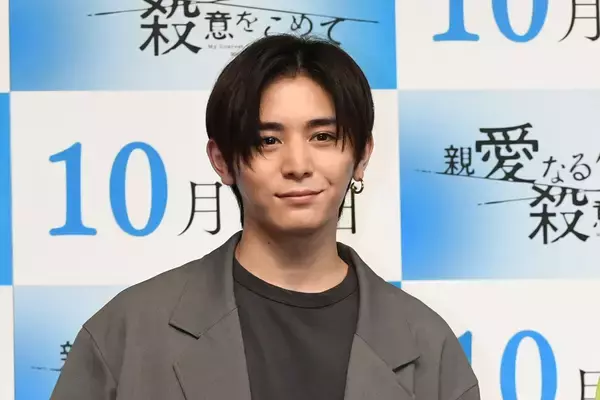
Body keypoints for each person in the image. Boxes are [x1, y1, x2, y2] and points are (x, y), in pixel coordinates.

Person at [51, 34, 480, 400]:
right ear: (222, 160)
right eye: (269, 140)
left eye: (323, 136)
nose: (298, 165)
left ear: (362, 156)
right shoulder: (128, 333)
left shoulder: (429, 345)